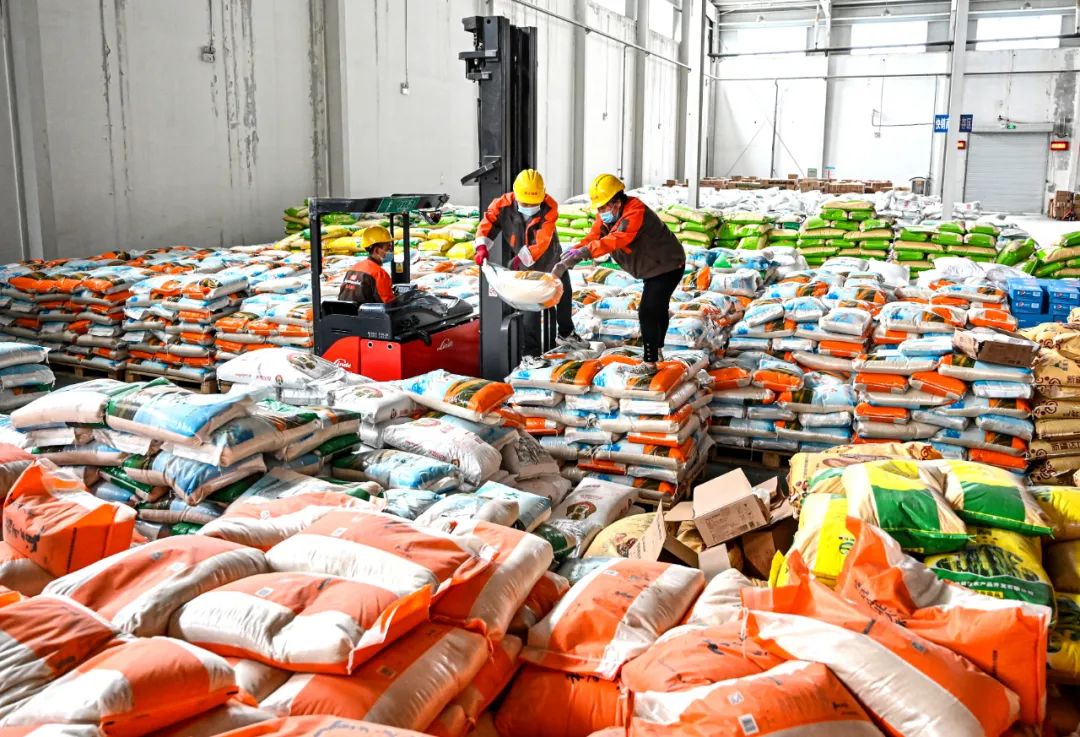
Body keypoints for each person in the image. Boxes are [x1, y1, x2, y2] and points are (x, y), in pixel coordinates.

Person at [553, 173, 685, 375]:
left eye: (603, 207)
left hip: (668, 265)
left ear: (617, 202)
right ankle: (657, 353)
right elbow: (594, 237)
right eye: (599, 208)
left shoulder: (635, 211)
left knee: (648, 310)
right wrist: (574, 251)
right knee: (658, 308)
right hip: (652, 267)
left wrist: (584, 253)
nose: (601, 212)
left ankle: (649, 364)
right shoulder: (608, 215)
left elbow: (615, 239)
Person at [474, 168, 588, 357]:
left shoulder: (549, 206)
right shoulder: (502, 205)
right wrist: (481, 246)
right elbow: (488, 223)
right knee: (531, 307)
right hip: (523, 261)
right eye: (525, 203)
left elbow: (542, 240)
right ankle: (531, 354)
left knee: (564, 292)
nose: (529, 206)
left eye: (534, 203)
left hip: (550, 257)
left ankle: (566, 334)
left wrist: (521, 258)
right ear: (516, 195)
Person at [338, 225, 394, 305]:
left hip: (345, 312)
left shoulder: (353, 268)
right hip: (366, 313)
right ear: (376, 250)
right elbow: (389, 304)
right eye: (388, 248)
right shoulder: (379, 273)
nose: (390, 251)